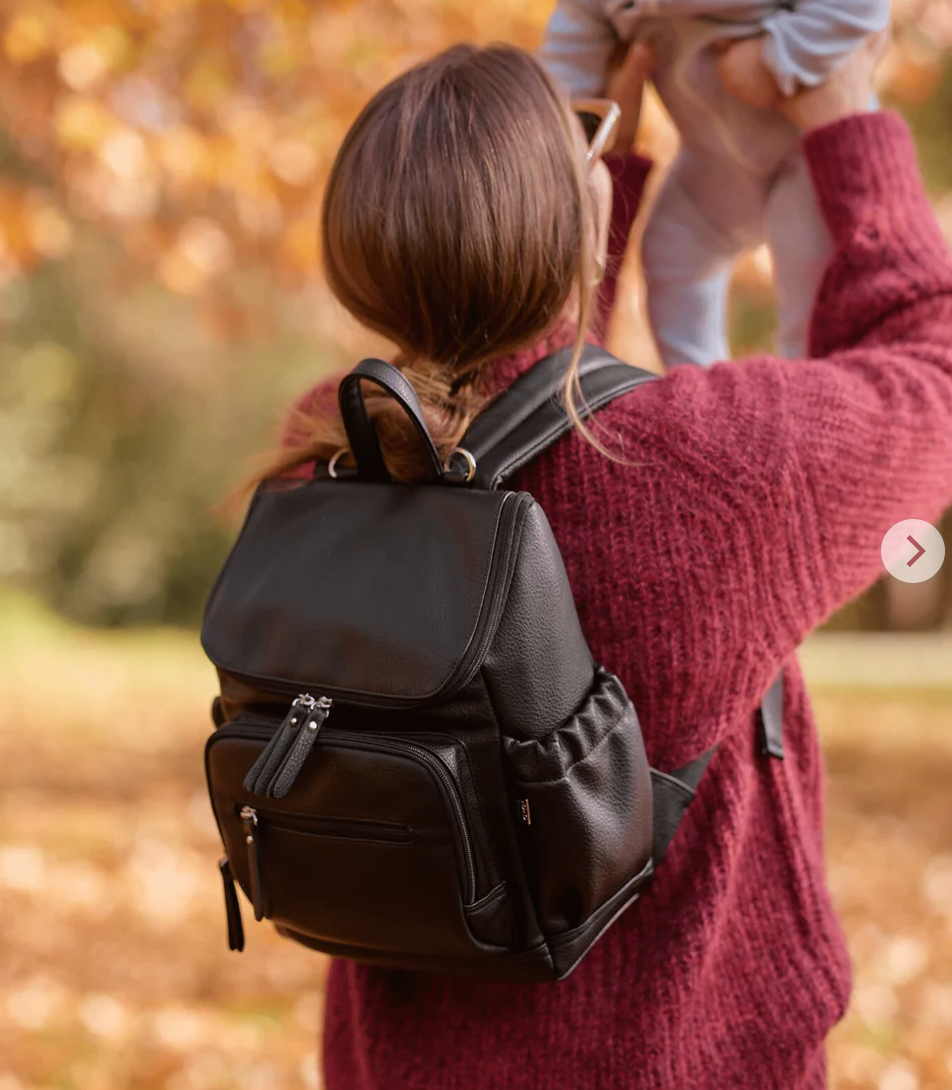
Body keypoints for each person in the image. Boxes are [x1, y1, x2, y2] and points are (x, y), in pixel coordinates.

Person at [259, 32, 952, 1090]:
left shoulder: (330, 455)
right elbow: (933, 373)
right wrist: (847, 122)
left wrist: (583, 179)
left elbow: (534, 396)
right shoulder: (724, 468)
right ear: (576, 220)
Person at [541, 0, 890, 367]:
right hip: (711, 164)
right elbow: (567, 62)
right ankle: (701, 385)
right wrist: (564, 128)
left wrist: (776, 58)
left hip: (805, 158)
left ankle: (809, 383)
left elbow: (860, 7)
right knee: (669, 247)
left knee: (810, 274)